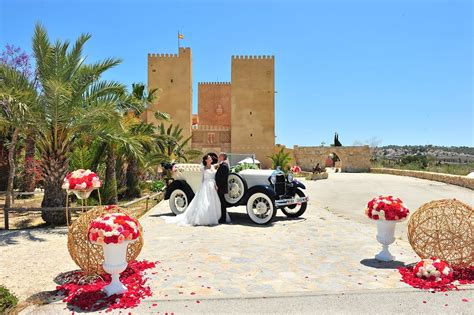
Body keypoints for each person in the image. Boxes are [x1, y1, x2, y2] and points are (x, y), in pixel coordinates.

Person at [164, 154, 222, 226]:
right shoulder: (203, 168)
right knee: (205, 202)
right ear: (206, 160)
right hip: (206, 186)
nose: (211, 158)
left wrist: (216, 185)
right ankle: (204, 218)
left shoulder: (213, 167)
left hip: (212, 185)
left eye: (210, 158)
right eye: (209, 158)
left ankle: (214, 216)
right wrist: (201, 188)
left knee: (212, 202)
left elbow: (217, 169)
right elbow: (202, 179)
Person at [215, 152, 231, 224]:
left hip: (221, 187)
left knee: (222, 203)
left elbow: (223, 178)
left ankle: (223, 218)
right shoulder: (222, 165)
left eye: (219, 156)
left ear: (222, 157)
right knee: (222, 202)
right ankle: (222, 217)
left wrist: (218, 186)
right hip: (221, 187)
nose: (218, 158)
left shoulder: (224, 166)